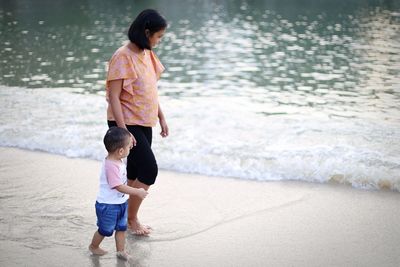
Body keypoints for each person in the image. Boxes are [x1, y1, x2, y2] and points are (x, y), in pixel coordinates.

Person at [105, 9, 168, 236]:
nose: (159, 41)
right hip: (125, 122)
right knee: (149, 169)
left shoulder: (146, 54)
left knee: (133, 171)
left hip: (144, 121)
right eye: (158, 36)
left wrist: (161, 116)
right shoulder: (123, 56)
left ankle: (124, 217)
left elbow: (150, 89)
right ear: (146, 32)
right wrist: (122, 131)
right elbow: (114, 95)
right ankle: (132, 219)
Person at [89, 127, 148, 260]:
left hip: (120, 203)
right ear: (121, 151)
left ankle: (120, 251)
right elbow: (118, 186)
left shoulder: (118, 160)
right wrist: (137, 191)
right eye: (128, 146)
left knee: (121, 228)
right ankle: (93, 246)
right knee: (105, 230)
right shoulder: (111, 165)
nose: (130, 149)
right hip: (107, 205)